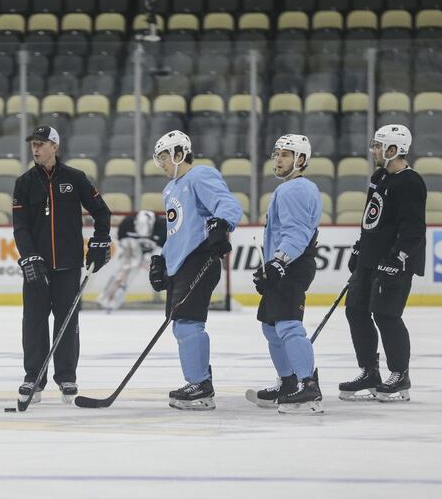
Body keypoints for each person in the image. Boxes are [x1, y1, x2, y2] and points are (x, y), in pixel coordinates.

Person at [12, 125, 112, 404]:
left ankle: (66, 376)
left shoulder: (75, 178)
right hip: (36, 267)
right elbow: (20, 226)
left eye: (41, 143)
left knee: (67, 322)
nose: (35, 148)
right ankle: (34, 377)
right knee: (34, 322)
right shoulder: (24, 182)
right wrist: (29, 256)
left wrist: (100, 242)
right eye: (33, 144)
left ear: (55, 147)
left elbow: (102, 212)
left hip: (69, 266)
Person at [147, 130, 242, 410]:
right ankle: (200, 380)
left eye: (164, 157)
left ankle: (200, 386)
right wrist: (162, 259)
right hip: (181, 264)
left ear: (179, 154)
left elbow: (228, 204)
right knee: (181, 325)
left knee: (188, 323)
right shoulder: (170, 189)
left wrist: (221, 224)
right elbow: (177, 231)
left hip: (200, 259)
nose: (161, 164)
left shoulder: (200, 175)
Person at [339, 124, 426, 402]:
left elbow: (413, 229)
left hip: (394, 262)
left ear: (394, 149)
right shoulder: (379, 176)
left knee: (386, 315)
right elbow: (371, 218)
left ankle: (400, 375)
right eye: (375, 145)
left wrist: (397, 259)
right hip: (370, 259)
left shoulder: (410, 182)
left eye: (379, 146)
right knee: (355, 310)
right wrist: (359, 247)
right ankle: (369, 372)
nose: (374, 150)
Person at [247, 135, 324, 415]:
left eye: (286, 154)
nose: (278, 159)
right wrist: (271, 265)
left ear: (301, 159)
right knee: (271, 327)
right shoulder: (290, 188)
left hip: (292, 264)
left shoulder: (296, 189)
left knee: (289, 325)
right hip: (284, 264)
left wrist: (279, 262)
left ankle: (308, 386)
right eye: (277, 153)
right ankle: (289, 382)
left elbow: (297, 232)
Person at [97, 210, 167, 311]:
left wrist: (149, 260)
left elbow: (163, 249)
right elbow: (124, 243)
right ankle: (108, 299)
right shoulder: (127, 224)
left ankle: (172, 296)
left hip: (152, 251)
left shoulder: (162, 226)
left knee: (160, 272)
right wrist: (133, 260)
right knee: (126, 270)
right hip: (132, 248)